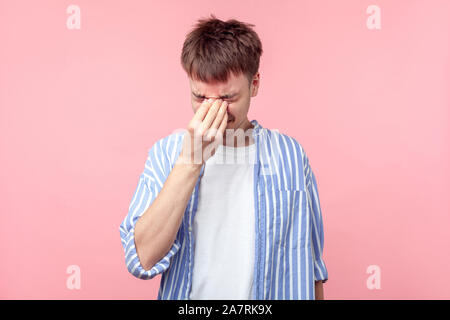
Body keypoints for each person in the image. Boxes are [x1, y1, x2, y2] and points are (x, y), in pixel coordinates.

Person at [119, 14, 328, 300]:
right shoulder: (166, 154)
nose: (213, 111)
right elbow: (141, 259)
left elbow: (312, 266)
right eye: (200, 98)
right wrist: (190, 162)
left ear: (254, 84)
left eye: (228, 98)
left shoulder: (291, 155)